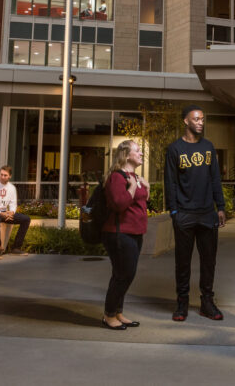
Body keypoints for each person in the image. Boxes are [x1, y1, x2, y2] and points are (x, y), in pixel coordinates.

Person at [164, 104, 226, 322]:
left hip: (207, 214)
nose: (201, 122)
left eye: (202, 119)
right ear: (186, 121)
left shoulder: (209, 147)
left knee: (209, 261)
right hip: (184, 214)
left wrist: (220, 207)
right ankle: (182, 303)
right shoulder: (175, 149)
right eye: (196, 119)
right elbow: (170, 183)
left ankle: (207, 302)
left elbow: (215, 179)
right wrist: (174, 211)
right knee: (183, 262)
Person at [101, 140, 150, 330]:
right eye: (137, 151)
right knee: (123, 275)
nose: (141, 154)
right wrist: (132, 187)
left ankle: (118, 312)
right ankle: (109, 315)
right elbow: (119, 204)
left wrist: (144, 187)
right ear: (126, 155)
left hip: (135, 232)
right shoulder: (117, 177)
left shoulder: (134, 177)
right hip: (120, 233)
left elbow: (141, 203)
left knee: (126, 274)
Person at [0, 165, 32, 255]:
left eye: (5, 175)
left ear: (10, 176)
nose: (2, 177)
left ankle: (16, 248)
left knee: (26, 219)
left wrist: (11, 212)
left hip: (4, 213)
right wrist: (1, 213)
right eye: (1, 174)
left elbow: (13, 203)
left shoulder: (11, 188)